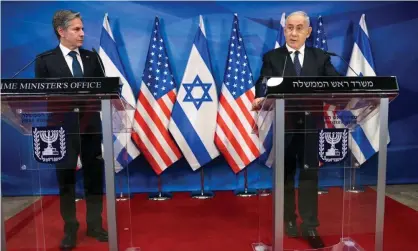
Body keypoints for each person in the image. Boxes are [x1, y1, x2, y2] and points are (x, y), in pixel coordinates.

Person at [253, 11, 340, 249]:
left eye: (299, 28)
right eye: (289, 28)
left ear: (308, 32)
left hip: (312, 126)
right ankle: (289, 220)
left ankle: (310, 225)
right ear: (284, 30)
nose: (293, 33)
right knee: (287, 176)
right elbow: (263, 83)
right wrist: (261, 97)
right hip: (286, 125)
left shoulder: (320, 56)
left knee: (310, 176)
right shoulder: (273, 57)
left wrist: (345, 90)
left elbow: (336, 82)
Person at [35, 10, 108, 250]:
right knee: (66, 180)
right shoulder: (45, 60)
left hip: (91, 126)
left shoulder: (92, 58)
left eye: (82, 29)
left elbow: (104, 92)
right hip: (61, 129)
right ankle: (70, 228)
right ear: (61, 31)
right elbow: (43, 95)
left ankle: (95, 225)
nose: (82, 34)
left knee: (94, 178)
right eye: (77, 29)